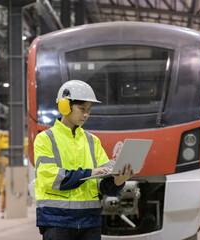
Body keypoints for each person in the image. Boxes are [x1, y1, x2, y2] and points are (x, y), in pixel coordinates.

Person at [34, 80, 134, 240]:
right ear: (64, 106)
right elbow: (50, 178)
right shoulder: (45, 139)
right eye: (82, 109)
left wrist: (118, 181)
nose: (86, 114)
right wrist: (90, 172)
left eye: (88, 109)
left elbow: (103, 186)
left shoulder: (93, 141)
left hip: (90, 223)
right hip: (57, 222)